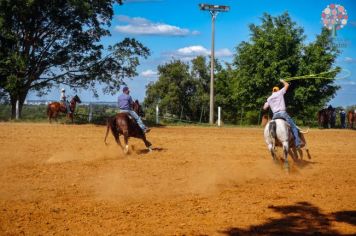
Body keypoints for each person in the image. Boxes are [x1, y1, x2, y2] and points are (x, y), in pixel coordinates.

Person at [263, 79, 301, 149]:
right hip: (283, 113)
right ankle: (297, 143)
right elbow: (287, 85)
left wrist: (268, 102)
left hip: (275, 115)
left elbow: (264, 107)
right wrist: (282, 81)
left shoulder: (269, 98)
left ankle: (273, 142)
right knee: (294, 127)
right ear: (277, 90)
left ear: (272, 91)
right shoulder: (280, 93)